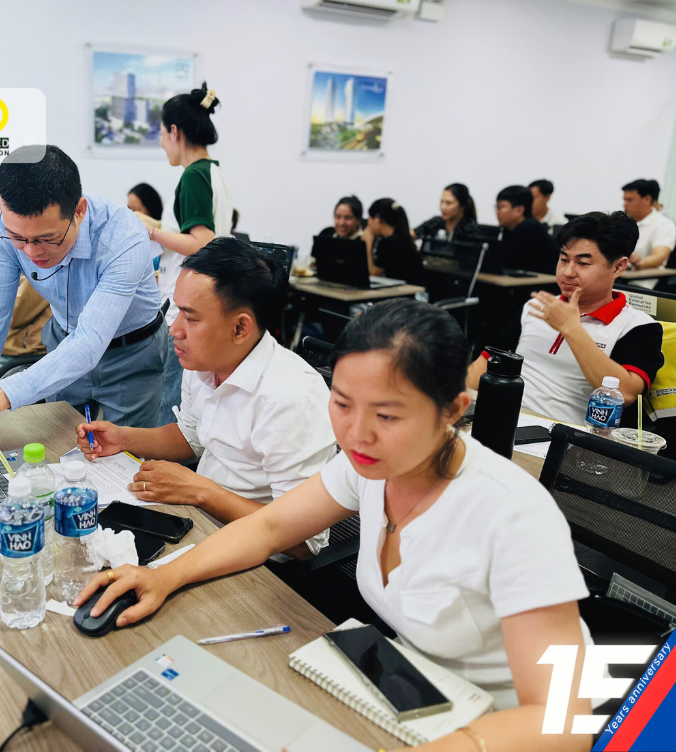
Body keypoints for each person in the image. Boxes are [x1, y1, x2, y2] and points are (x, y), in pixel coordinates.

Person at [78, 299, 596, 746]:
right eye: (342, 404)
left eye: (387, 416)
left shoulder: (514, 516)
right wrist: (165, 576)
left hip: (496, 731)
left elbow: (566, 723)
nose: (357, 433)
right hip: (412, 693)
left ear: (453, 410)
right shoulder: (370, 465)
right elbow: (269, 528)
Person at [76, 237, 334, 558]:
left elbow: (305, 541)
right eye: (176, 312)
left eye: (191, 318)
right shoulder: (205, 363)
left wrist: (200, 491)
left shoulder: (291, 400)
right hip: (198, 523)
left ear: (240, 329)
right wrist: (124, 438)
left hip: (258, 557)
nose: (174, 329)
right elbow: (191, 437)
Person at [0, 145, 167, 447]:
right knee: (61, 449)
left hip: (131, 354)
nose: (31, 252)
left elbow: (89, 342)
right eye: (19, 239)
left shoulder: (124, 237)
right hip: (62, 342)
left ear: (79, 211)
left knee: (127, 458)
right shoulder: (1, 222)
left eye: (47, 238)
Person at [468, 212, 664, 426]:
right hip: (503, 419)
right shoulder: (536, 307)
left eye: (583, 263)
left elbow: (625, 395)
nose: (568, 272)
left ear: (618, 267)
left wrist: (572, 329)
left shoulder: (637, 327)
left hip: (565, 437)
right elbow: (484, 365)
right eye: (563, 260)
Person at [144, 82, 233, 427]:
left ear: (175, 131)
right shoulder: (213, 171)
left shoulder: (193, 176)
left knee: (173, 402)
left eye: (162, 133)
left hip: (186, 300)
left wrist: (151, 232)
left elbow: (201, 241)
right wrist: (154, 224)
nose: (161, 142)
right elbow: (194, 232)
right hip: (209, 295)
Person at [621, 178, 676, 290]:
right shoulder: (621, 222)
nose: (624, 204)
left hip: (642, 284)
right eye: (624, 200)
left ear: (647, 199)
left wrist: (639, 262)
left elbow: (659, 256)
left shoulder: (664, 225)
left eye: (629, 200)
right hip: (616, 277)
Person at [495, 185, 560, 274]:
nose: (497, 212)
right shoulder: (510, 229)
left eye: (501, 207)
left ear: (519, 210)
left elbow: (508, 262)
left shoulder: (529, 229)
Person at [367, 198, 423, 285]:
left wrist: (368, 242)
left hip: (404, 290)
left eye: (370, 218)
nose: (368, 222)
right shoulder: (402, 238)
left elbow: (374, 274)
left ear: (377, 219)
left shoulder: (388, 244)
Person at [412, 183, 477, 242]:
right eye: (441, 202)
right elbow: (411, 235)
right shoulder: (435, 223)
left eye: (449, 203)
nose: (443, 207)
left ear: (462, 205)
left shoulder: (471, 229)